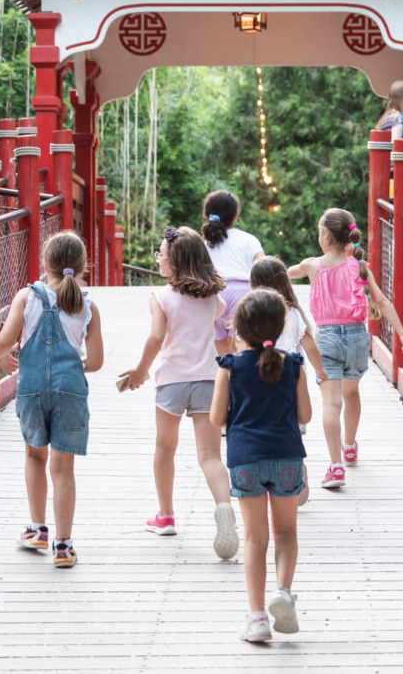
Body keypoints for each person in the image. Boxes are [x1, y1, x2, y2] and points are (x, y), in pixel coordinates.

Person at [119, 226, 238, 560]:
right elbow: (219, 340)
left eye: (162, 255)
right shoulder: (215, 300)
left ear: (173, 264)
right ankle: (224, 508)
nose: (158, 258)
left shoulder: (161, 297)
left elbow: (157, 338)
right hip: (208, 382)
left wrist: (141, 370)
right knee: (210, 456)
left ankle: (166, 515)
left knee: (165, 448)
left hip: (171, 381)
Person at [0, 231, 104, 569]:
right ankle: (63, 546)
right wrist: (71, 365)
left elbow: (1, 344)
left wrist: (3, 357)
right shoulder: (88, 305)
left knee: (35, 456)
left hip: (32, 388)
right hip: (70, 390)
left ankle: (37, 529)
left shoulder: (27, 297)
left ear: (44, 264)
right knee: (63, 469)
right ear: (83, 268)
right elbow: (96, 362)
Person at [210, 288, 312, 642]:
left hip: (245, 460)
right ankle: (283, 593)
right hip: (286, 457)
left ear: (238, 329)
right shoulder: (292, 366)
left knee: (255, 539)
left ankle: (256, 619)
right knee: (286, 533)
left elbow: (215, 418)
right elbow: (306, 415)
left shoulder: (230, 368)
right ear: (282, 325)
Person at [287, 208, 403, 489]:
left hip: (328, 338)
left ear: (325, 235)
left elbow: (285, 274)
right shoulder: (359, 266)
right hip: (358, 337)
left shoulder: (312, 265)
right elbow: (381, 302)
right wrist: (402, 336)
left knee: (331, 403)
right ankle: (349, 445)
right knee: (352, 392)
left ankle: (335, 467)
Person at [249, 256, 327, 508]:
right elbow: (310, 346)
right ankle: (297, 470)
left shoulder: (251, 314)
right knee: (292, 433)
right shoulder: (293, 313)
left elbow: (240, 346)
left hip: (259, 383)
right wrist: (321, 371)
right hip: (291, 385)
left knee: (261, 430)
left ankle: (265, 476)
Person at [202, 190, 264, 355]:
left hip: (214, 295)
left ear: (207, 216)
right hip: (244, 296)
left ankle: (227, 376)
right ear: (236, 215)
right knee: (242, 346)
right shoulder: (249, 240)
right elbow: (262, 266)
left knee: (222, 350)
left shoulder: (205, 245)